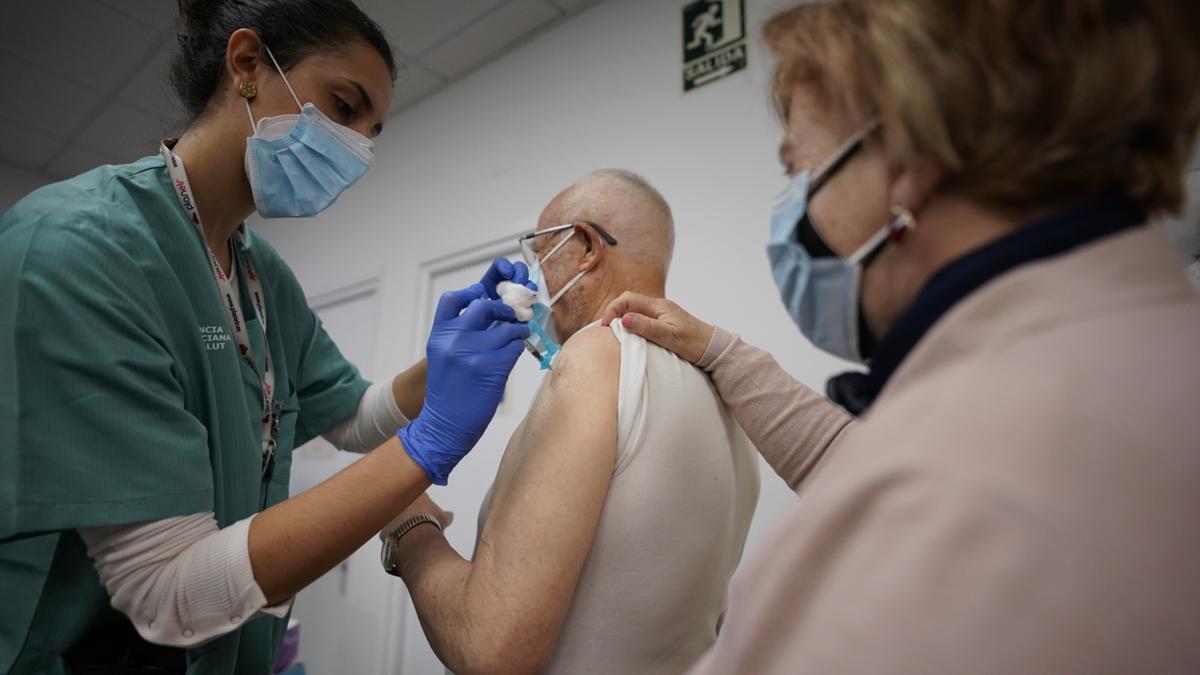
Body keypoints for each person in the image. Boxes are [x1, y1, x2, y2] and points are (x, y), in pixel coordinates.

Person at [600, 1, 1200, 672]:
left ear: (912, 155)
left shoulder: (957, 497)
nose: (795, 206)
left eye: (800, 169)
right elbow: (852, 455)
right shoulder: (1141, 357)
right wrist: (717, 349)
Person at [0, 1, 530, 673]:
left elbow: (349, 417)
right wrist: (425, 450)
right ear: (247, 64)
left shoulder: (261, 275)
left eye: (371, 134)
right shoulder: (81, 249)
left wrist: (441, 362)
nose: (355, 152)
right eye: (343, 107)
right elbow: (166, 590)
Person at [381, 170, 761, 674]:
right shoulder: (728, 394)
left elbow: (491, 649)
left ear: (584, 246)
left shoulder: (595, 358)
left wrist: (410, 525)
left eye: (541, 259)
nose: (537, 283)